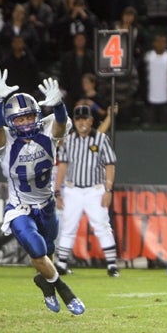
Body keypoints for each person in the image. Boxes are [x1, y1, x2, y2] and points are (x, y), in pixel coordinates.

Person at [0, 68, 85, 315]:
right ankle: (64, 290)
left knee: (45, 256)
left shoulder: (48, 133)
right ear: (10, 122)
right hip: (20, 208)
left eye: (29, 117)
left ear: (37, 116)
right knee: (37, 251)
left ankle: (45, 282)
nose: (25, 122)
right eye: (19, 119)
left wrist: (59, 105)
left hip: (47, 206)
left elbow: (60, 124)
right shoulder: (4, 143)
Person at [54, 104, 119, 277]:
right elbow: (62, 166)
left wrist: (108, 189)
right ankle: (61, 263)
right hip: (72, 189)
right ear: (74, 121)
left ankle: (112, 264)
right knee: (68, 226)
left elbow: (110, 164)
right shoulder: (69, 140)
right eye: (78, 119)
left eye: (85, 119)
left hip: (95, 190)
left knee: (102, 225)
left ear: (91, 121)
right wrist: (57, 191)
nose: (82, 122)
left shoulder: (101, 139)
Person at [139, 34, 167, 125]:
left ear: (166, 44)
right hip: (149, 101)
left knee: (165, 128)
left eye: (163, 42)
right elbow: (141, 77)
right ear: (154, 43)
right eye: (158, 42)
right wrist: (143, 94)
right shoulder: (146, 58)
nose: (160, 44)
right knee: (150, 129)